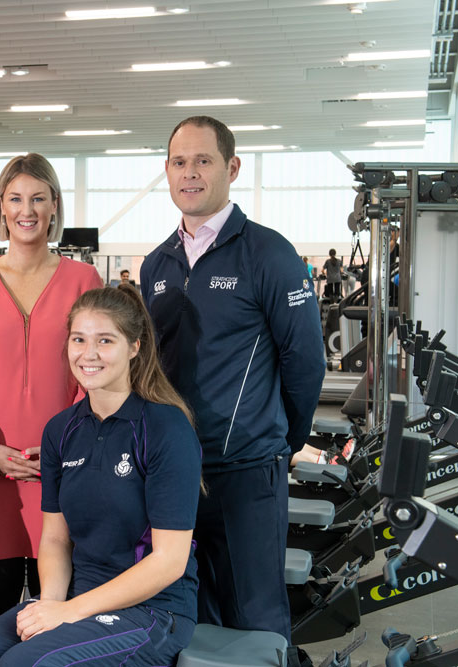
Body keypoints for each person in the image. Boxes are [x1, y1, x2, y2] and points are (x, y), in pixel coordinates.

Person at [140, 116, 325, 641]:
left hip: (247, 471)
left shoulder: (269, 254)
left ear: (232, 168)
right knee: (190, 616)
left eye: (203, 160)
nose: (190, 173)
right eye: (179, 162)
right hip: (175, 471)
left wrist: (281, 441)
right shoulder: (158, 265)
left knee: (255, 617)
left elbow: (306, 362)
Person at [0, 286, 201, 667]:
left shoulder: (166, 429)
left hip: (152, 609)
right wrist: (51, 602)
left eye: (105, 340)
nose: (89, 354)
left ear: (134, 346)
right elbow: (54, 537)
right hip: (75, 595)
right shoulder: (61, 431)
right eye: (79, 340)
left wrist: (71, 611)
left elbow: (169, 561)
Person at [0, 153, 102, 628]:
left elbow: (92, 371)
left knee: (58, 606)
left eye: (38, 198)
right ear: (1, 207)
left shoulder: (83, 280)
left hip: (63, 463)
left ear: (55, 206)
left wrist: (62, 447)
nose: (26, 210)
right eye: (15, 199)